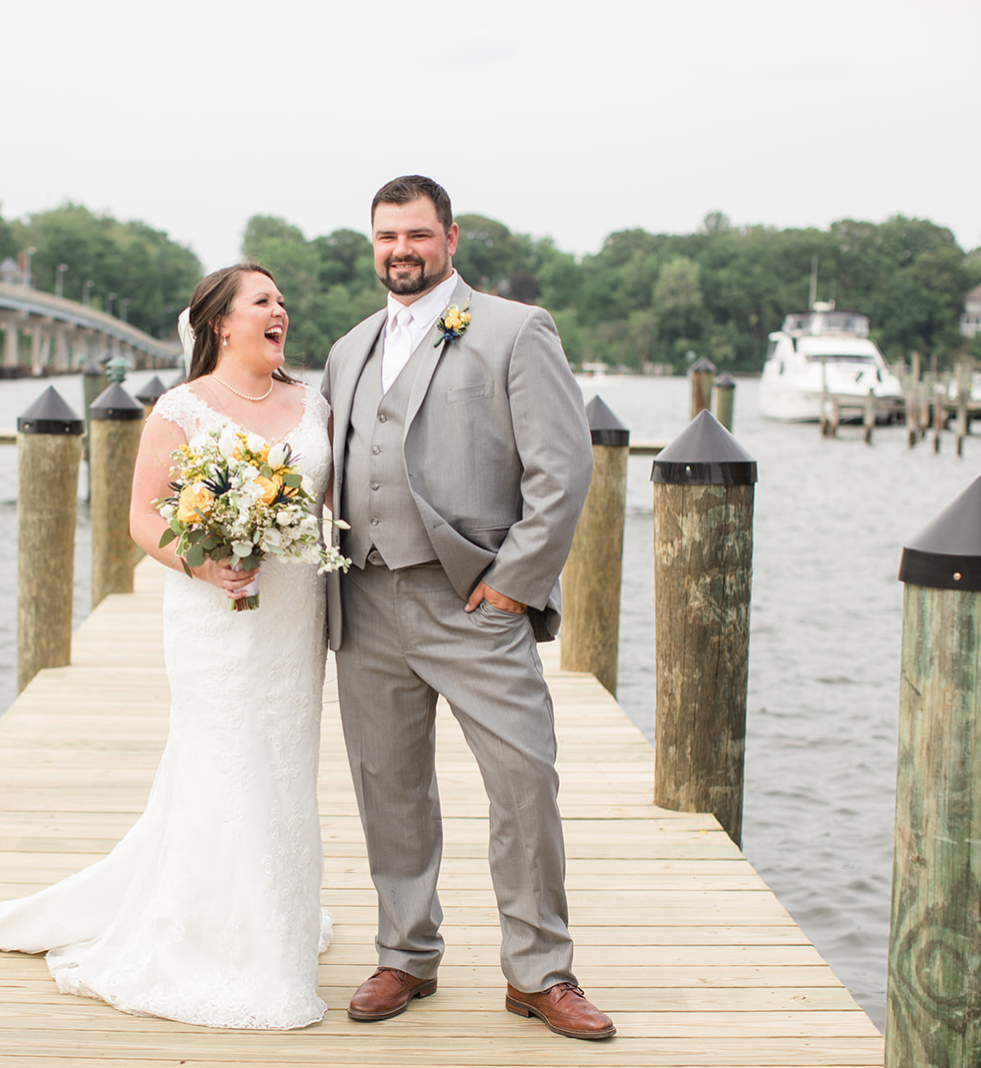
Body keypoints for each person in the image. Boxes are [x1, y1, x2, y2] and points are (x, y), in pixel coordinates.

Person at [0, 264, 334, 1030]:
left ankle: (278, 917)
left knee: (283, 760)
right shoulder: (181, 409)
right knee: (224, 759)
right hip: (214, 616)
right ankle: (212, 934)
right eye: (263, 302)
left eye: (282, 301)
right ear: (219, 323)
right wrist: (205, 562)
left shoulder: (316, 406)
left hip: (292, 617)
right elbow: (144, 519)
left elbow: (334, 506)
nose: (280, 311)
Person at [320, 175, 614, 1040]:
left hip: (474, 600)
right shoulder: (350, 347)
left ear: (450, 237)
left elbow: (562, 472)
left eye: (416, 234)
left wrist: (516, 582)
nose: (399, 251)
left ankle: (540, 972)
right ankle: (405, 953)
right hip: (365, 599)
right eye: (385, 236)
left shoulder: (515, 330)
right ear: (371, 244)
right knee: (389, 785)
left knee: (524, 781)